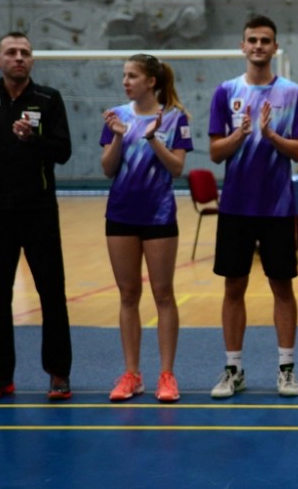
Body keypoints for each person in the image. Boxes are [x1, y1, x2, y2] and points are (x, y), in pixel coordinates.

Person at [0, 31, 73, 402]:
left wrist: (32, 139)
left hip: (39, 211)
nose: (19, 57)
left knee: (52, 295)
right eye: (11, 52)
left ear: (32, 60)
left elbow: (63, 152)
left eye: (25, 52)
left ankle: (58, 373)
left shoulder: (48, 100)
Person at [207, 15, 298, 398]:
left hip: (277, 208)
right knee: (233, 286)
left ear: (275, 47)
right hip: (235, 207)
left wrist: (270, 135)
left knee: (282, 287)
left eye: (265, 40)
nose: (258, 46)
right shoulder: (225, 92)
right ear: (242, 46)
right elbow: (216, 153)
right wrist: (241, 133)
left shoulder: (293, 94)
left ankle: (286, 370)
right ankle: (233, 369)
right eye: (252, 40)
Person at [101, 54, 193, 403]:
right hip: (121, 216)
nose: (126, 81)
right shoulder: (116, 116)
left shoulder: (175, 118)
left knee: (163, 294)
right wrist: (118, 138)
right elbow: (108, 169)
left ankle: (166, 375)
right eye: (124, 75)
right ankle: (131, 374)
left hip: (159, 216)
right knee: (128, 295)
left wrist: (154, 139)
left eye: (133, 76)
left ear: (151, 81)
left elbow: (176, 169)